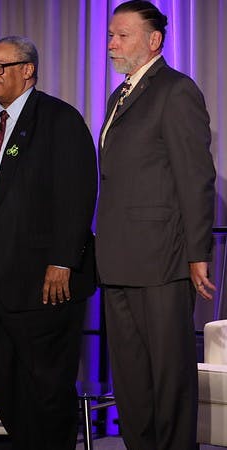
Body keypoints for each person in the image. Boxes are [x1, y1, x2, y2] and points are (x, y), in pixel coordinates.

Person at [0, 36, 99, 449]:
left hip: (42, 278)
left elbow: (77, 193)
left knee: (47, 384)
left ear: (27, 70)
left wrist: (64, 261)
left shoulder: (58, 118)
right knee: (4, 379)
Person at [96, 2, 216, 448]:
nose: (112, 43)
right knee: (130, 379)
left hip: (161, 258)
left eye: (122, 35)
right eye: (110, 34)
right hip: (119, 258)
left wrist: (197, 253)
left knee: (169, 379)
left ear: (154, 40)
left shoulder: (176, 90)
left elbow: (195, 176)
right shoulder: (118, 96)